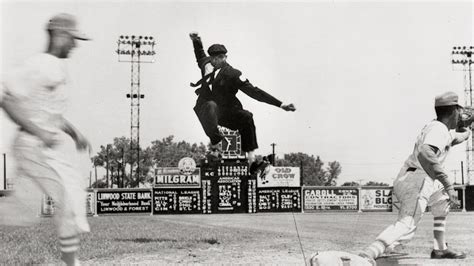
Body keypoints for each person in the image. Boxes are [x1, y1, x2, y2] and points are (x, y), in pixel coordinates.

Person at [0, 13, 91, 266]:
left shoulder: (54, 67)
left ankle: (71, 261)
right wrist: (38, 131)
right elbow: (5, 98)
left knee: (23, 213)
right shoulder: (40, 64)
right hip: (32, 146)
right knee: (67, 200)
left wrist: (74, 133)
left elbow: (50, 114)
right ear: (60, 35)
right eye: (72, 39)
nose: (75, 45)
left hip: (41, 149)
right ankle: (71, 263)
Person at [359, 91, 468, 264]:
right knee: (407, 225)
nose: (461, 115)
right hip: (417, 180)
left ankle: (440, 249)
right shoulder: (439, 130)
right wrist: (448, 183)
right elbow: (426, 153)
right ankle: (368, 254)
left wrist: (467, 128)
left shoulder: (440, 128)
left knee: (442, 201)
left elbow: (457, 137)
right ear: (454, 111)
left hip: (416, 177)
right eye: (459, 111)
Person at [189, 32, 296, 165]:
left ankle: (251, 158)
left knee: (247, 116)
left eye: (224, 57)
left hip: (225, 112)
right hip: (206, 110)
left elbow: (254, 92)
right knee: (211, 105)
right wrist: (196, 40)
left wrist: (281, 104)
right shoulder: (206, 64)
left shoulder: (232, 74)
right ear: (212, 59)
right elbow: (199, 53)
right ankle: (216, 148)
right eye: (218, 58)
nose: (222, 61)